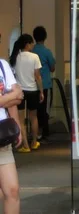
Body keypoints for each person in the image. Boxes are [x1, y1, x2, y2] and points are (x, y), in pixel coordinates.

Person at [9, 34, 44, 153]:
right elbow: (38, 76)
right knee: (33, 117)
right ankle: (34, 142)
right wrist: (41, 91)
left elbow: (13, 75)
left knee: (20, 119)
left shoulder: (15, 57)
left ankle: (25, 145)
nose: (33, 45)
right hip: (33, 90)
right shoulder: (35, 57)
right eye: (32, 43)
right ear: (27, 44)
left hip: (20, 92)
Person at [0, 57, 24, 214]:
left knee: (12, 190)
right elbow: (15, 95)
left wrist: (17, 125)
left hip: (1, 134)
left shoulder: (2, 65)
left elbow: (19, 96)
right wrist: (11, 96)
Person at [32, 26, 55, 143]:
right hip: (45, 85)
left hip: (32, 85)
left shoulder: (31, 51)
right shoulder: (47, 52)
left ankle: (36, 133)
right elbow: (52, 68)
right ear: (45, 37)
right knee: (44, 109)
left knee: (34, 110)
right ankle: (44, 132)